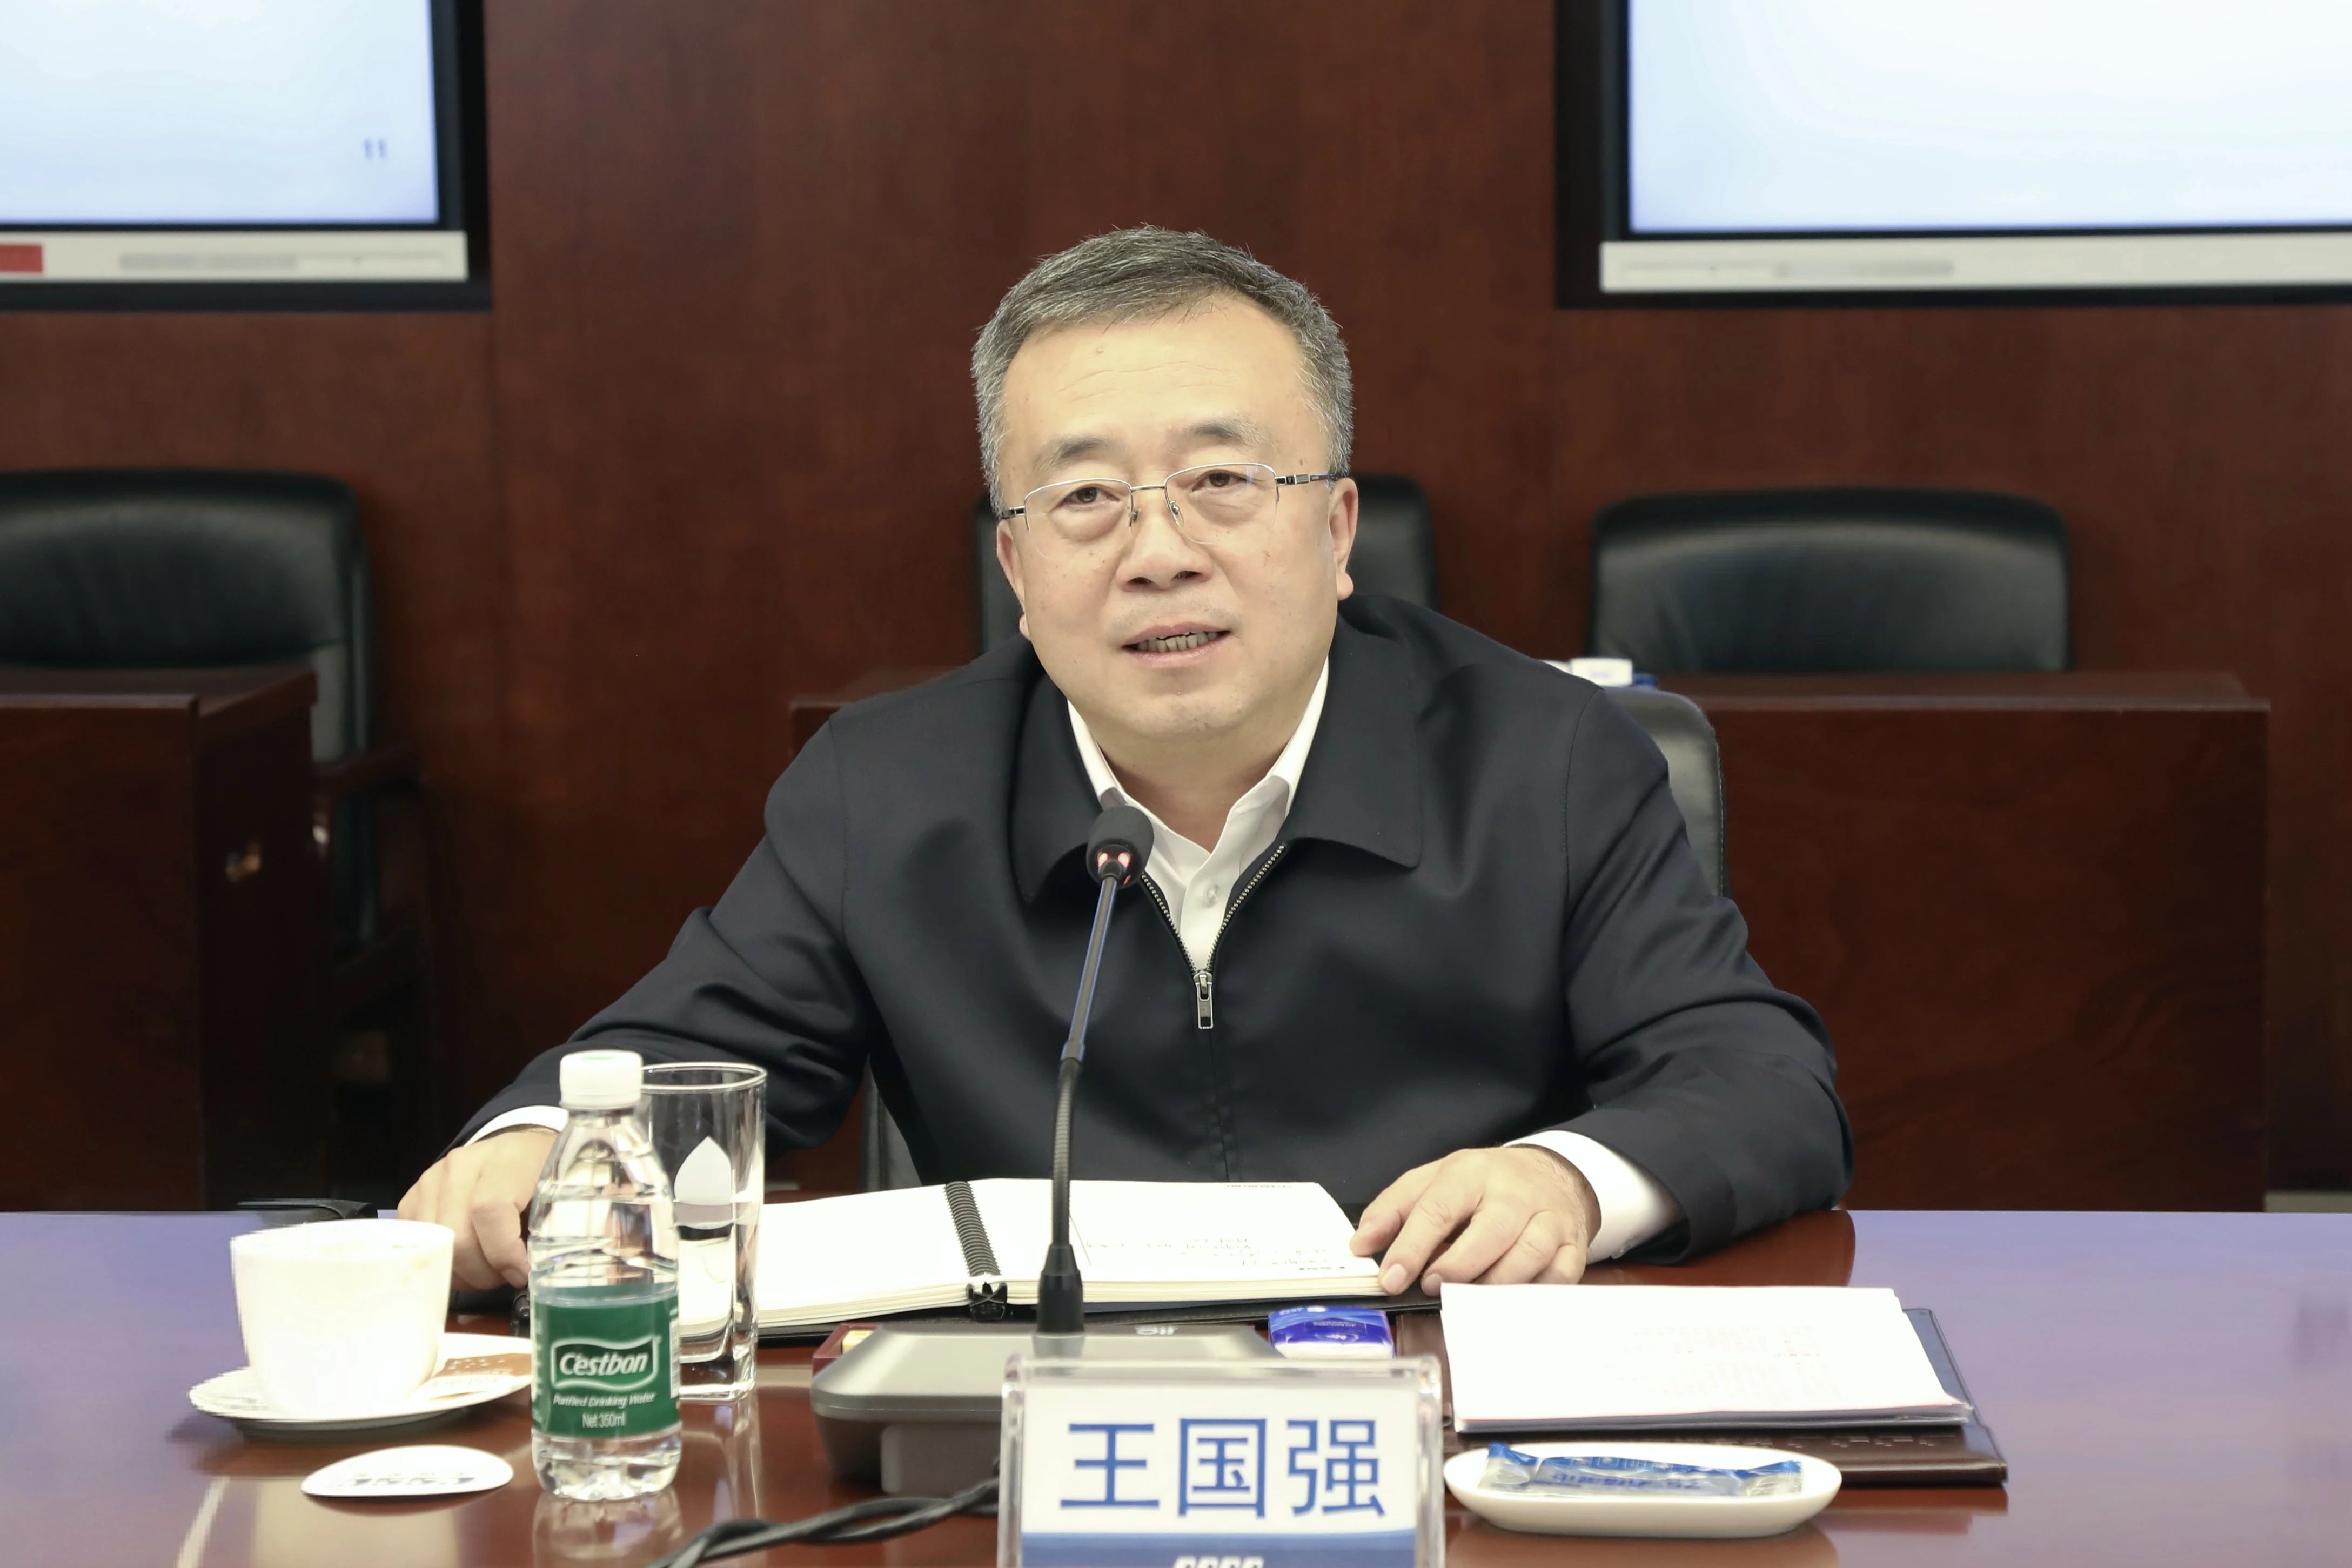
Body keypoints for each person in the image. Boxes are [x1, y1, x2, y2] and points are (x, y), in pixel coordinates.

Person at [403, 227, 1850, 1293]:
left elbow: (1757, 1080)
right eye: (1087, 498)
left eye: (1223, 481)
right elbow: (675, 1065)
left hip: (1437, 1405)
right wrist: (536, 1147)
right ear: (1018, 570)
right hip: (1024, 1437)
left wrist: (1564, 1180)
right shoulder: (886, 792)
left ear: (1336, 528)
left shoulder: (1547, 759)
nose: (1160, 552)